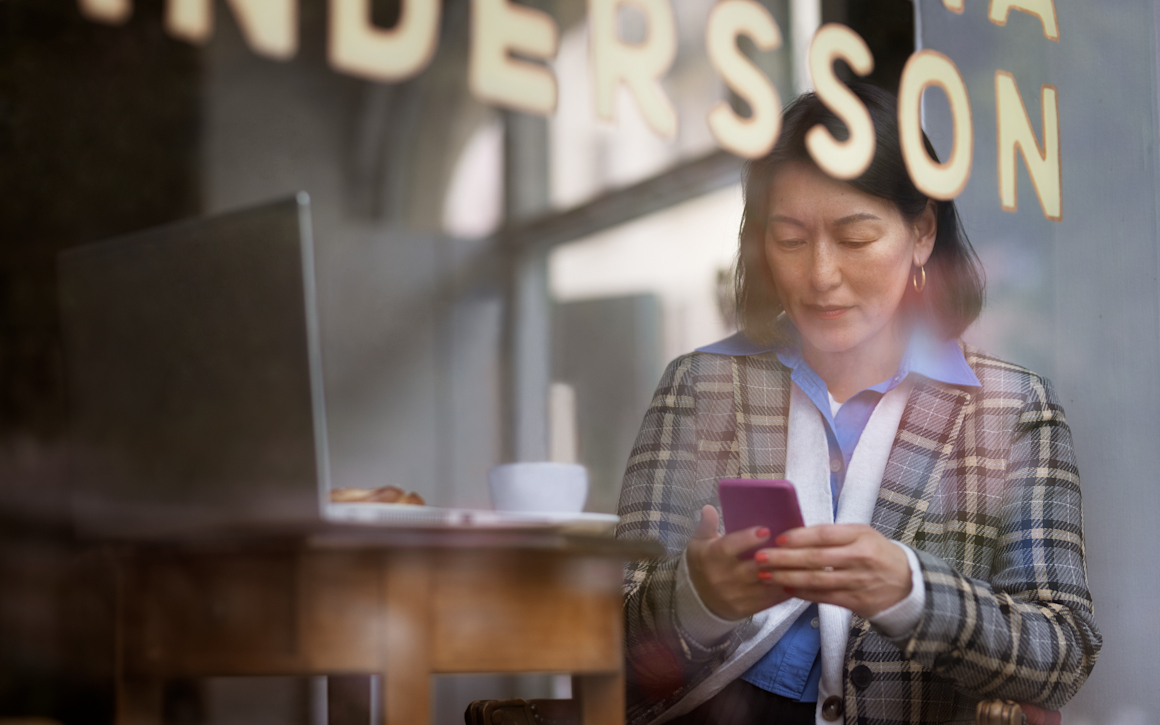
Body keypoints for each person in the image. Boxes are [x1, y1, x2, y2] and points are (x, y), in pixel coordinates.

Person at [615, 85, 1101, 725]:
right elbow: (607, 637)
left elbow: (1063, 653)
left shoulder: (1009, 409)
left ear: (921, 233)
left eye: (855, 237)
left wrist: (912, 593)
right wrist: (697, 598)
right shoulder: (700, 386)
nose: (821, 275)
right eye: (791, 240)